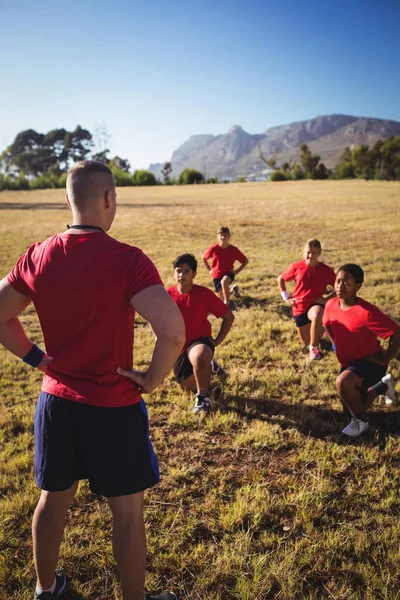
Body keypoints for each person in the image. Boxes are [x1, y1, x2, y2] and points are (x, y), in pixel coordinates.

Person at [0, 160, 185, 600]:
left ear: (68, 199)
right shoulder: (127, 260)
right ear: (108, 199)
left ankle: (46, 590)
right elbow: (174, 331)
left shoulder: (39, 253)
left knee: (52, 499)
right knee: (126, 512)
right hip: (114, 408)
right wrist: (152, 378)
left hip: (56, 403)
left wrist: (38, 359)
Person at [323, 264, 400, 438]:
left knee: (343, 384)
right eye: (338, 281)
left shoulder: (367, 312)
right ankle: (383, 386)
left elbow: (396, 333)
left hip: (370, 362)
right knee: (352, 404)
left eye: (346, 283)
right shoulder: (330, 305)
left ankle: (361, 422)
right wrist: (337, 345)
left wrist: (386, 358)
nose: (340, 287)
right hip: (349, 363)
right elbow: (327, 324)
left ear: (358, 287)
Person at [167, 253, 234, 414]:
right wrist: (159, 335)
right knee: (186, 387)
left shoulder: (203, 294)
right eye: (178, 271)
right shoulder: (167, 295)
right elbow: (153, 316)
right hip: (178, 346)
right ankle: (211, 365)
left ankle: (202, 398)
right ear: (174, 273)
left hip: (199, 341)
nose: (182, 275)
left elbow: (228, 316)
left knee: (200, 356)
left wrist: (216, 341)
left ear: (194, 274)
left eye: (186, 271)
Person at [277, 238, 335, 360]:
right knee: (305, 341)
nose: (310, 256)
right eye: (308, 252)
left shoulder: (326, 270)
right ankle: (322, 329)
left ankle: (313, 348)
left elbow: (339, 289)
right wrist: (286, 297)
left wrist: (326, 300)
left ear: (319, 253)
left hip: (315, 305)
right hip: (299, 308)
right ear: (304, 252)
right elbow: (280, 279)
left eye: (314, 253)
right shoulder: (296, 267)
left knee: (317, 314)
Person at [202, 226, 249, 305]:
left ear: (229, 237)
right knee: (220, 298)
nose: (223, 237)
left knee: (224, 282)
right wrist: (209, 269)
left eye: (225, 235)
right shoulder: (214, 249)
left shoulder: (233, 250)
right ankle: (233, 291)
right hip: (216, 275)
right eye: (221, 235)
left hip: (228, 273)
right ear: (218, 236)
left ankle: (227, 303)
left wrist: (237, 271)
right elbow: (203, 258)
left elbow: (245, 261)